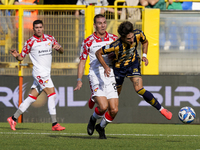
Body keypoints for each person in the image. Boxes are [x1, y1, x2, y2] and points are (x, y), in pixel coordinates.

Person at [95, 21, 173, 120]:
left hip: (133, 64)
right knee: (114, 97)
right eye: (128, 38)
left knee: (139, 89)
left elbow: (145, 42)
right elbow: (98, 53)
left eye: (132, 37)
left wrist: (144, 55)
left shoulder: (138, 34)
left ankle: (162, 109)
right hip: (119, 69)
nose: (132, 40)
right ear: (122, 37)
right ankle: (95, 100)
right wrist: (106, 66)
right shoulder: (115, 45)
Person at [7, 19, 65, 131]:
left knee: (31, 98)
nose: (39, 29)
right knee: (52, 95)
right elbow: (21, 57)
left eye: (40, 27)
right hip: (39, 73)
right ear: (33, 29)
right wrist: (16, 56)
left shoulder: (50, 38)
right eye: (36, 28)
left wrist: (59, 48)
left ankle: (13, 118)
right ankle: (55, 124)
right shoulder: (30, 42)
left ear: (43, 28)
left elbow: (61, 50)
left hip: (46, 73)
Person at [74, 14, 119, 139]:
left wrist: (115, 57)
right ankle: (93, 119)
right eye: (100, 23)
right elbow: (82, 61)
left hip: (110, 74)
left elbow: (118, 55)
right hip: (95, 75)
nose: (103, 25)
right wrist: (79, 80)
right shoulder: (88, 41)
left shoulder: (114, 38)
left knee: (114, 110)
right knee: (103, 107)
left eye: (104, 22)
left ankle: (101, 127)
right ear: (95, 25)